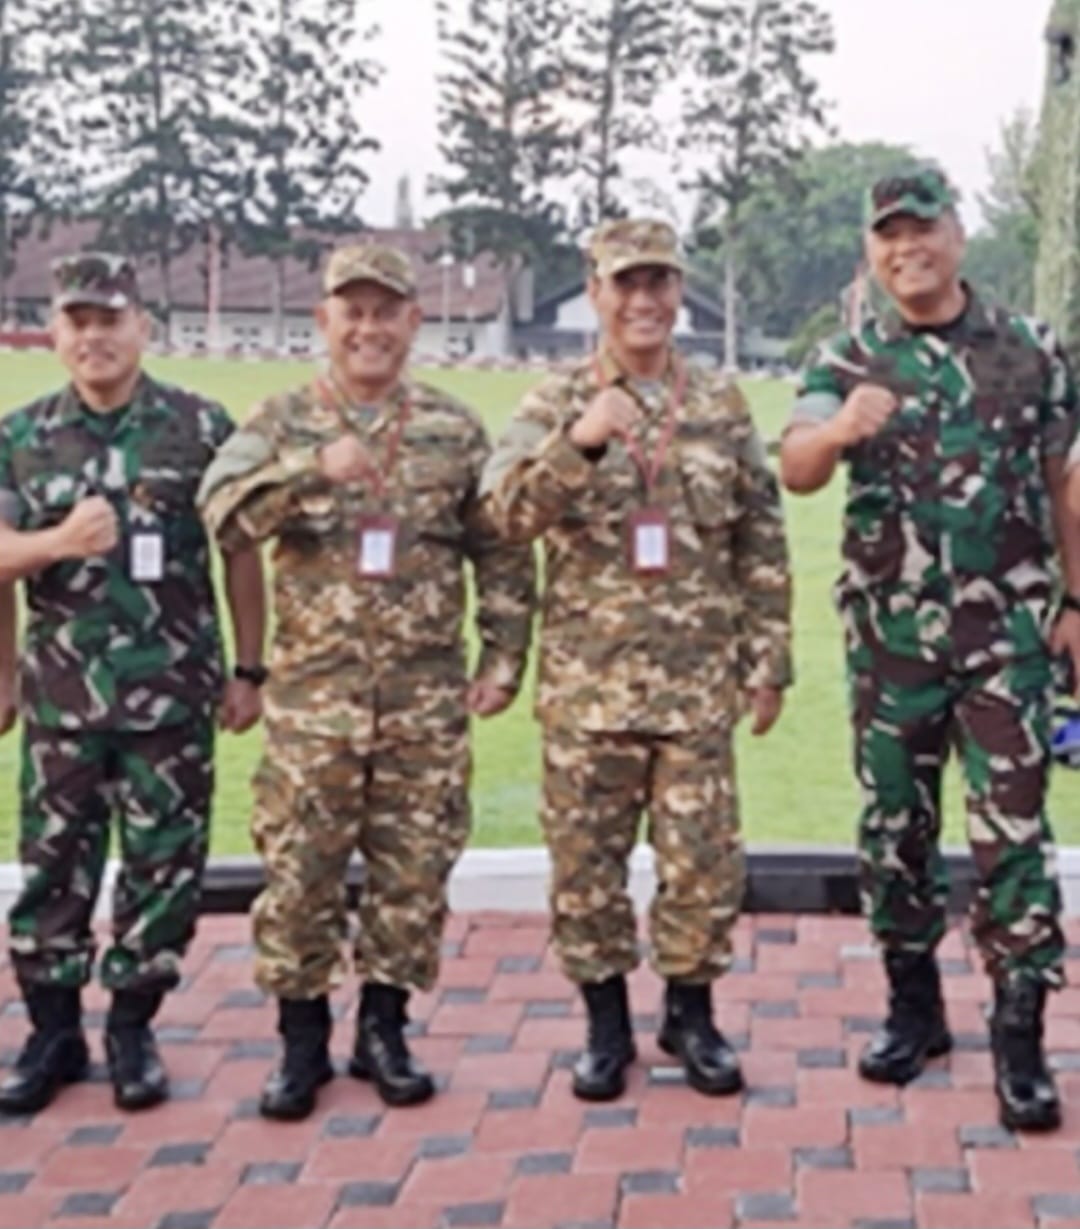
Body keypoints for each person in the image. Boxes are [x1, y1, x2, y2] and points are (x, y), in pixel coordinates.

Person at [197, 243, 535, 1121]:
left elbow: (498, 546)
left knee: (413, 870)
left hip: (425, 701)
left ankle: (384, 1029)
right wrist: (310, 469)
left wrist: (503, 654)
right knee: (300, 869)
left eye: (387, 311)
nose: (369, 327)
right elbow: (222, 515)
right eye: (353, 310)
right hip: (315, 702)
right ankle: (300, 1039)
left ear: (414, 322)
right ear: (324, 320)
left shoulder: (453, 428)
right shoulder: (282, 419)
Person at [780, 167, 1080, 1132]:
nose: (906, 247)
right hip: (892, 642)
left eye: (922, 227)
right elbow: (795, 467)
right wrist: (839, 427)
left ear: (957, 233)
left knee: (1013, 833)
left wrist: (1077, 600)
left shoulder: (1032, 349)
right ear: (871, 250)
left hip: (1008, 637)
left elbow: (1065, 482)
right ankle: (915, 1009)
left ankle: (1020, 1034)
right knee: (895, 827)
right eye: (888, 234)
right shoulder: (846, 356)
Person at [481, 219, 792, 1101]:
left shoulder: (721, 403)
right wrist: (579, 442)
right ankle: (606, 1026)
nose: (645, 300)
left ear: (680, 291)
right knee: (586, 868)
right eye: (627, 283)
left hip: (696, 687)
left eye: (660, 282)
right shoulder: (553, 401)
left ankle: (691, 1016)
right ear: (596, 292)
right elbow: (503, 517)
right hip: (590, 690)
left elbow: (759, 536)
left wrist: (767, 656)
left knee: (703, 864)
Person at [0, 253, 266, 1114]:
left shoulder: (199, 426)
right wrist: (55, 545)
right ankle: (53, 1033)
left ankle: (131, 1029)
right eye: (77, 321)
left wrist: (250, 668)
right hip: (62, 702)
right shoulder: (21, 436)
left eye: (110, 320)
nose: (94, 337)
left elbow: (239, 550)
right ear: (54, 332)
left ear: (142, 326)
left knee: (164, 869)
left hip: (172, 700)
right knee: (53, 869)